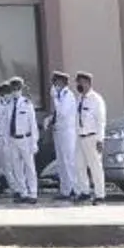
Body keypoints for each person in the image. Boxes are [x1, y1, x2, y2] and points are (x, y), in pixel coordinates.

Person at [0, 77, 39, 203]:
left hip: (25, 139)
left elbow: (33, 124)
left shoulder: (27, 103)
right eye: (13, 88)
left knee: (29, 167)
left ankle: (33, 193)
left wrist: (34, 142)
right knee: (16, 168)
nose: (15, 91)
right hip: (12, 140)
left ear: (21, 89)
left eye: (17, 88)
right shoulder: (9, 105)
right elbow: (8, 124)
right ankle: (22, 192)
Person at [71, 72, 109, 206]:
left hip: (92, 137)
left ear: (87, 82)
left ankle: (100, 195)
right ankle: (84, 192)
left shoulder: (96, 99)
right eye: (77, 82)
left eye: (80, 82)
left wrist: (100, 139)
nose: (78, 85)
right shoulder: (79, 99)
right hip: (80, 137)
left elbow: (101, 121)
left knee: (95, 167)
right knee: (79, 166)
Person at [45, 71, 81, 199]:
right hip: (58, 131)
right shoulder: (60, 96)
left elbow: (63, 113)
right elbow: (56, 114)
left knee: (69, 161)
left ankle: (74, 189)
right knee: (61, 162)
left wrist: (54, 98)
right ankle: (65, 190)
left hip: (67, 132)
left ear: (62, 82)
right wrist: (49, 119)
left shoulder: (67, 96)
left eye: (56, 82)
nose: (54, 85)